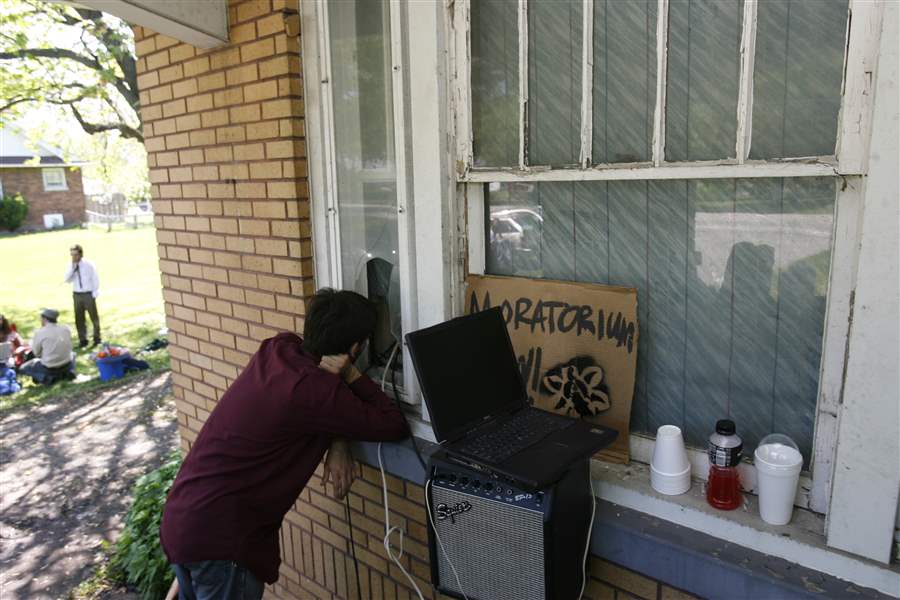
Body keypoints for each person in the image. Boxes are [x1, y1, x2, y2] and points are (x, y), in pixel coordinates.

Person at [160, 289, 409, 600]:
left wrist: (338, 438)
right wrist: (351, 374)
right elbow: (393, 422)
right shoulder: (316, 394)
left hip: (184, 520)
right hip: (222, 544)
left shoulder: (278, 348)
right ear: (356, 347)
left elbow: (317, 408)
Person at [19, 308, 75, 385]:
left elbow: (36, 353)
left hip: (50, 366)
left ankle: (48, 378)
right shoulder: (66, 328)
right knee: (73, 354)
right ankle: (66, 373)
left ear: (44, 319)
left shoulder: (40, 332)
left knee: (23, 368)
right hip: (67, 363)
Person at [64, 244, 101, 348]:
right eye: (72, 255)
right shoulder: (70, 265)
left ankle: (97, 338)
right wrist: (73, 268)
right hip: (77, 294)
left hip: (88, 293)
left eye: (75, 255)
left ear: (80, 254)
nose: (74, 257)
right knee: (79, 318)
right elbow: (67, 280)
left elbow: (95, 278)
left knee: (94, 317)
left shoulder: (89, 265)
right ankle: (83, 339)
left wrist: (95, 292)